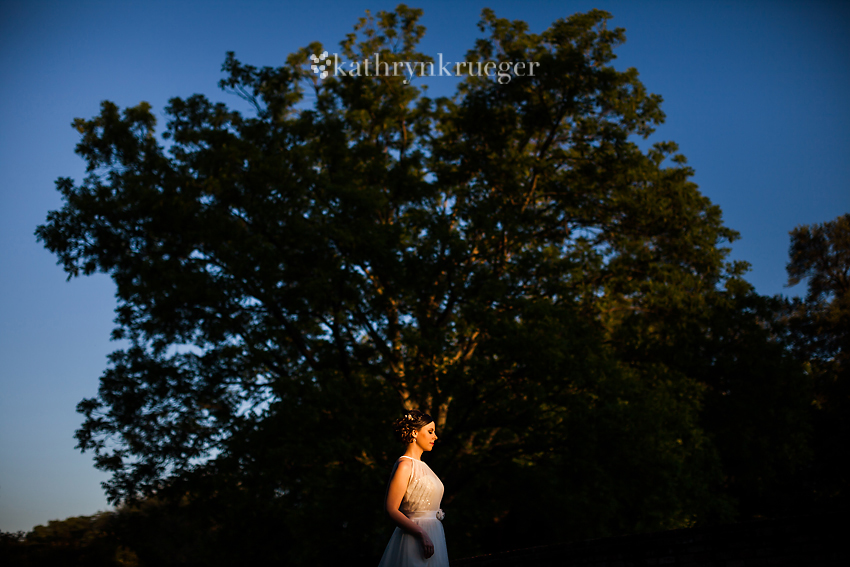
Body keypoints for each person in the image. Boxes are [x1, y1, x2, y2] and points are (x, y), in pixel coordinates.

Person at [376, 410, 450, 567]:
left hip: (434, 535)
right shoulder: (405, 465)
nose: (435, 437)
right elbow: (391, 509)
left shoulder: (424, 466)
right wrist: (421, 534)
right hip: (415, 538)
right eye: (430, 431)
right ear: (415, 433)